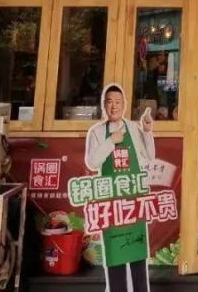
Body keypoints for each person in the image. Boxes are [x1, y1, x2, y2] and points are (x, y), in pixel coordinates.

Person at [85, 84, 155, 292]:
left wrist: (147, 132)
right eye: (109, 102)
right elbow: (92, 163)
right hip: (112, 203)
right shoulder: (97, 132)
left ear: (124, 105)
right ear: (104, 105)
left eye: (117, 102)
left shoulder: (133, 128)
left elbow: (149, 156)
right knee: (115, 256)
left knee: (137, 256)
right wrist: (111, 141)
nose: (113, 106)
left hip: (133, 201)